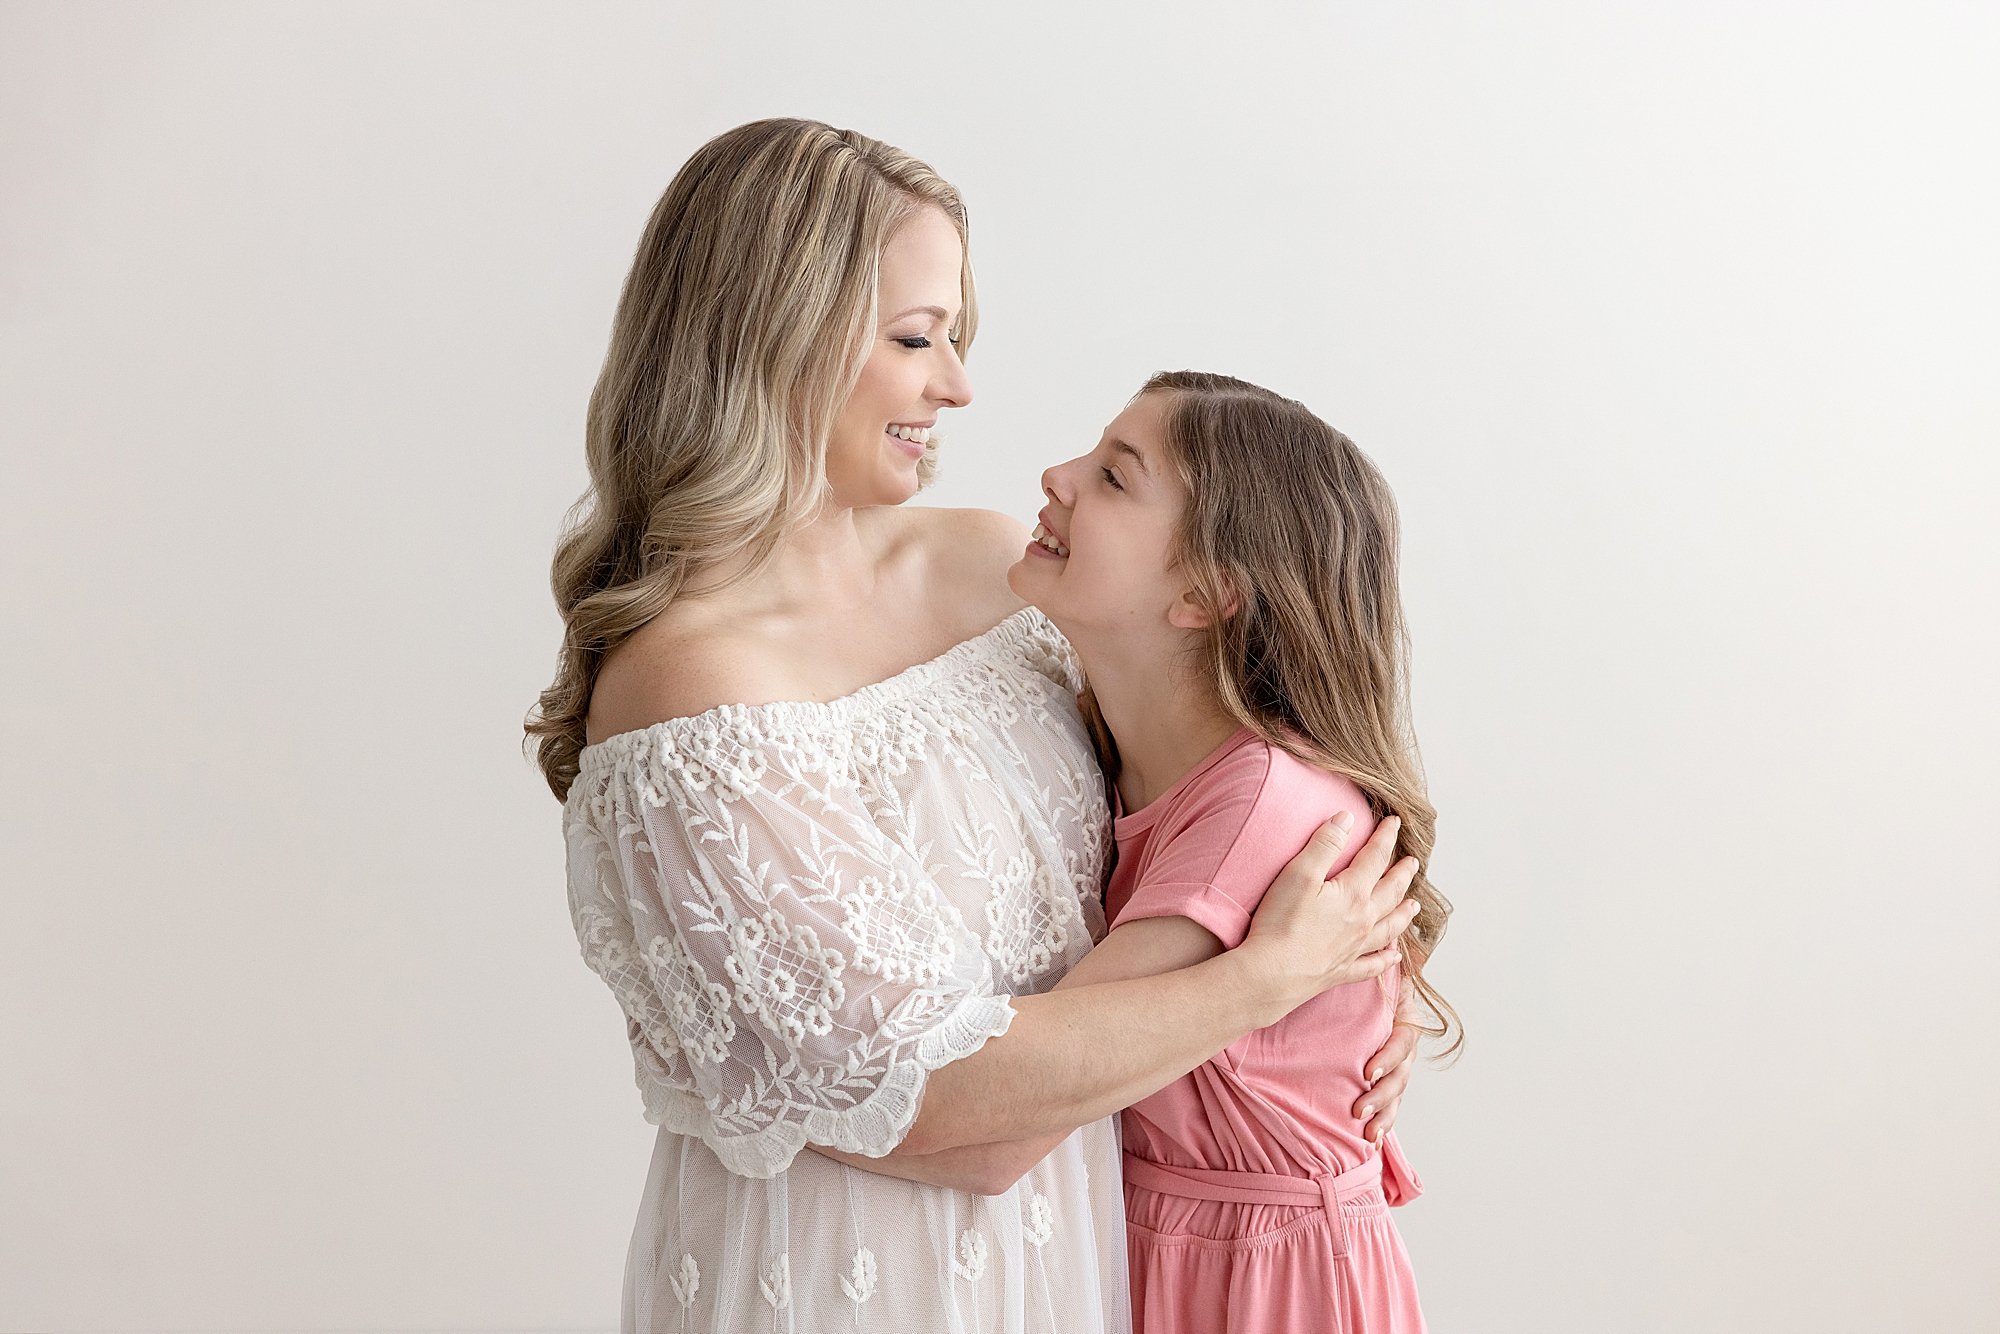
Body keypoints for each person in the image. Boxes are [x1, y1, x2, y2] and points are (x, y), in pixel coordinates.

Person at [527, 118, 1423, 1334]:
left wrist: (1330, 1031)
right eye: (914, 338)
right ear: (773, 341)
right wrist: (1266, 981)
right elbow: (952, 1114)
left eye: (954, 335)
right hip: (852, 1283)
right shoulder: (692, 691)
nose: (955, 384)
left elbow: (1204, 804)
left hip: (1080, 1259)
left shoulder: (995, 570)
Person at [1005, 372, 1457, 1331]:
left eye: (1115, 478)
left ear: (1207, 594)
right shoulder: (1112, 745)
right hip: (1163, 1248)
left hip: (1260, 1288)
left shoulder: (1265, 807)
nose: (1057, 476)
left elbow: (1021, 1090)